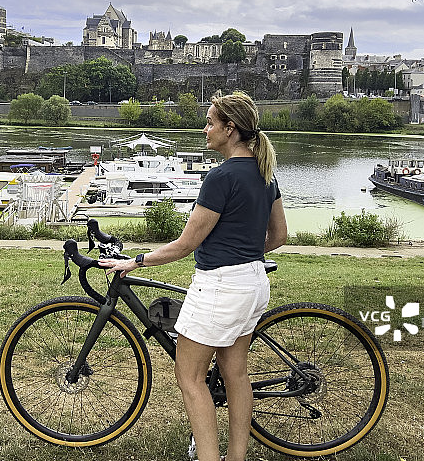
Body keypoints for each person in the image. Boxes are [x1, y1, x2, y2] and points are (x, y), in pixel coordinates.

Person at [99, 91, 287, 461]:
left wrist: (136, 261)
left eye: (210, 123)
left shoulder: (221, 177)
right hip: (253, 283)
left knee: (190, 377)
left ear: (229, 129)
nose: (205, 130)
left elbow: (185, 245)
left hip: (221, 287)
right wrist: (243, 253)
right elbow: (278, 236)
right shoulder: (265, 174)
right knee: (235, 375)